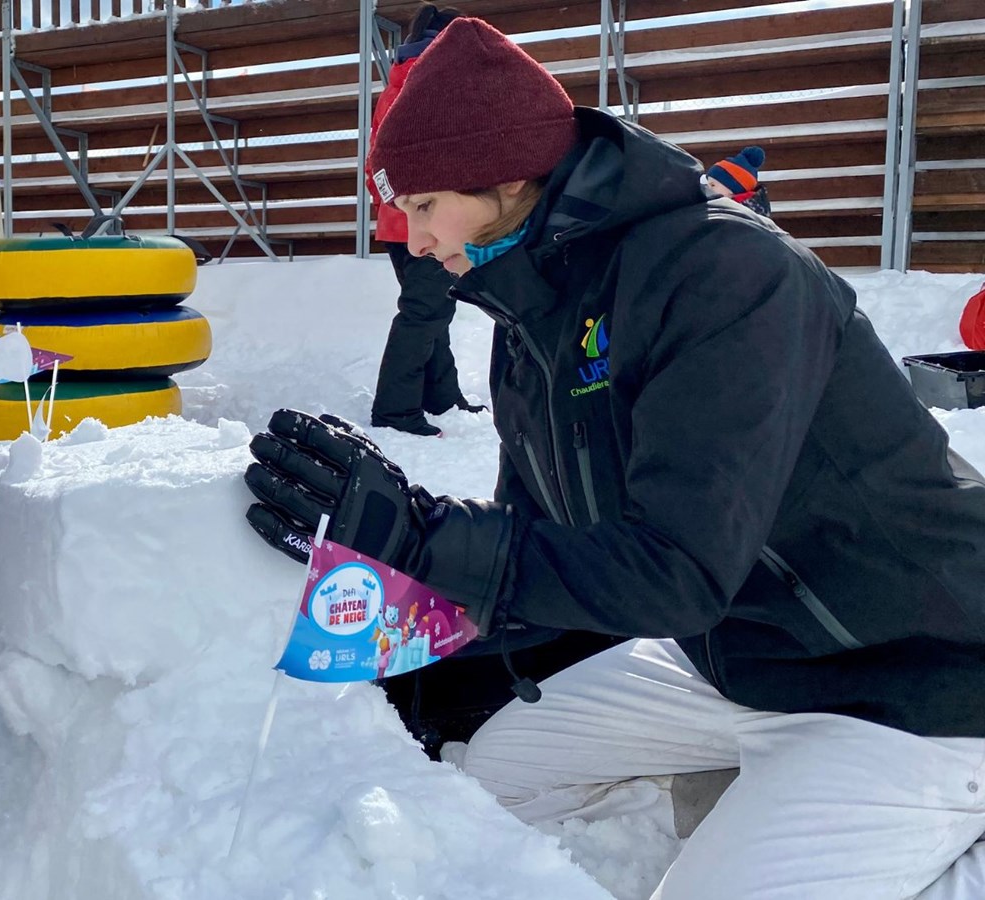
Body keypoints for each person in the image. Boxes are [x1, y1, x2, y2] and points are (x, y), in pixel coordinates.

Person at [244, 16, 985, 899]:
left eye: (425, 204)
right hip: (740, 654)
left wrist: (426, 535)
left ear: (505, 176)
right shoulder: (535, 306)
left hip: (916, 677)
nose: (411, 237)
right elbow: (537, 534)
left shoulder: (724, 275)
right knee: (490, 784)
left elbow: (675, 571)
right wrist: (402, 605)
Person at [366, 3, 483, 437]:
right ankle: (395, 412)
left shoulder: (398, 81)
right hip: (433, 224)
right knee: (422, 315)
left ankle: (441, 396)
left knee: (433, 311)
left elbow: (375, 163)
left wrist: (393, 207)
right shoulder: (441, 82)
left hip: (398, 226)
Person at [706, 145, 772, 217]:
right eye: (707, 184)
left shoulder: (742, 214)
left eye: (712, 185)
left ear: (733, 188)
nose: (708, 188)